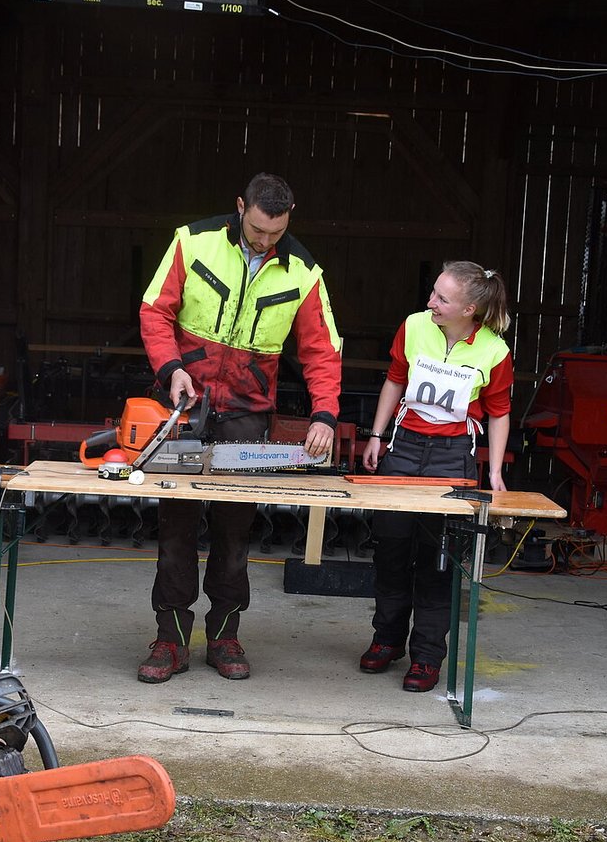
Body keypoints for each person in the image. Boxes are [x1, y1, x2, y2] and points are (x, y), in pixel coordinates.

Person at [136, 172, 344, 683]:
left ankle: (224, 638)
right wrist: (170, 369)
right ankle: (171, 641)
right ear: (240, 207)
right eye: (257, 230)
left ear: (289, 218)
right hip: (184, 402)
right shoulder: (193, 241)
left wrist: (324, 414)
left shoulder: (306, 273)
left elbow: (322, 350)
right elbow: (155, 312)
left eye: (276, 232)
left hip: (248, 414)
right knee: (176, 529)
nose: (265, 240)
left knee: (234, 532)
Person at [358, 261, 513, 693]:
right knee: (390, 550)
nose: (431, 303)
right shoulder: (413, 326)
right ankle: (387, 639)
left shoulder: (494, 351)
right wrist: (376, 436)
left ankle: (426, 656)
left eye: (442, 298)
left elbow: (499, 412)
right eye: (433, 293)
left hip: (451, 458)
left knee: (437, 559)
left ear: (469, 310)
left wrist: (495, 470)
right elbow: (395, 380)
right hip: (404, 448)